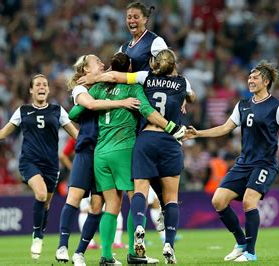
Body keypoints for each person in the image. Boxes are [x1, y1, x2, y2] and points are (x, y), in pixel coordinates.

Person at [184, 60, 279, 262]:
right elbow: (225, 128)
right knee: (218, 200)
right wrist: (198, 133)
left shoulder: (277, 106)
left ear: (266, 81)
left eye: (255, 77)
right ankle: (241, 243)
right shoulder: (242, 105)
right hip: (243, 163)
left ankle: (250, 253)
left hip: (265, 164)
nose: (250, 80)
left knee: (248, 201)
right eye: (249, 77)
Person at [78, 49, 195, 264]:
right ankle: (167, 243)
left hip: (137, 143)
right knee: (170, 198)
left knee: (132, 194)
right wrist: (182, 102)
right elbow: (190, 96)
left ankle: (111, 247)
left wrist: (92, 79)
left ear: (154, 64)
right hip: (167, 141)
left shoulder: (145, 78)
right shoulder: (182, 82)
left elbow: (110, 79)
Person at [0, 74, 79, 260]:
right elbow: (3, 133)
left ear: (48, 90)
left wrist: (96, 143)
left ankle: (40, 231)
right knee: (39, 194)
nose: (41, 87)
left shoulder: (57, 110)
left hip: (51, 166)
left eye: (44, 85)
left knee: (46, 204)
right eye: (37, 84)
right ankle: (37, 236)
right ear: (31, 90)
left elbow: (75, 134)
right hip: (29, 162)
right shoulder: (23, 111)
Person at [55, 54, 140, 265]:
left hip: (101, 152)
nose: (103, 64)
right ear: (85, 69)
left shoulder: (101, 85)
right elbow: (86, 107)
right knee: (74, 197)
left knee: (97, 205)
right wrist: (122, 103)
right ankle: (62, 247)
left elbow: (76, 113)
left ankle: (80, 252)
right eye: (97, 62)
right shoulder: (81, 89)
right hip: (86, 151)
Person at [120, 1, 170, 238]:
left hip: (150, 106)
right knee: (141, 167)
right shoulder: (125, 47)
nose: (131, 21)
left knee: (151, 164)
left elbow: (166, 68)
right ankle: (158, 206)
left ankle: (161, 205)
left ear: (145, 19)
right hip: (133, 110)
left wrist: (182, 93)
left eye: (136, 17)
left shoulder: (155, 41)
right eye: (128, 17)